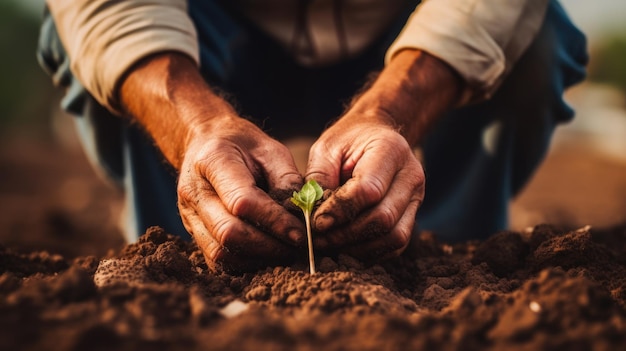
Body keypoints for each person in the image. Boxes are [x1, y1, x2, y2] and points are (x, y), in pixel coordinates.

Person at [38, 0, 587, 271]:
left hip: (405, 37)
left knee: (538, 42)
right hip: (214, 37)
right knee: (86, 44)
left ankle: (438, 254)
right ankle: (190, 249)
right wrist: (198, 125)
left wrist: (392, 109)